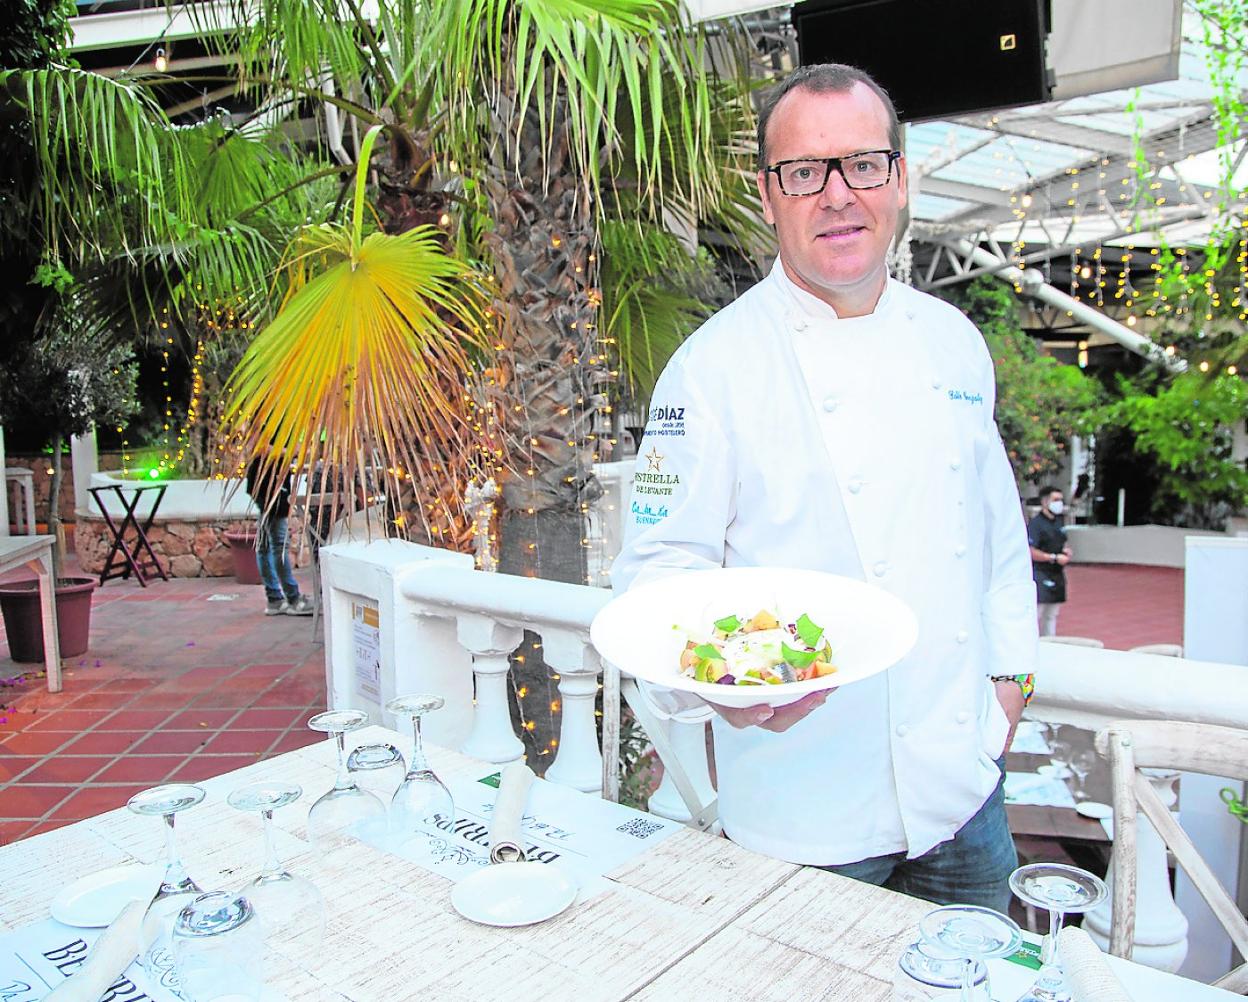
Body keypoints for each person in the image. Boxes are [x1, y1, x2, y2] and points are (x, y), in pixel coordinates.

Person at [610, 63, 1037, 913]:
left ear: (900, 179)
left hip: (964, 793)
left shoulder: (954, 341)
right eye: (805, 173)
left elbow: (998, 539)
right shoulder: (710, 370)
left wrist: (1011, 685)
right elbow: (657, 573)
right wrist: (711, 687)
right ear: (769, 197)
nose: (838, 195)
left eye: (863, 165)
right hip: (805, 822)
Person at [245, 455, 313, 617]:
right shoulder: (273, 439)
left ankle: (275, 597)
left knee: (265, 546)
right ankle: (293, 597)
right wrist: (289, 450)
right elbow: (262, 447)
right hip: (271, 491)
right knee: (279, 545)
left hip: (270, 488)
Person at [1028, 485, 1072, 637]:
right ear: (1045, 502)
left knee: (1052, 615)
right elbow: (1031, 551)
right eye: (1055, 500)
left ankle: (1050, 642)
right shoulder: (1036, 524)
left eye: (1061, 500)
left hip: (1057, 574)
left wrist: (1066, 551)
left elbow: (1063, 541)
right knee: (1037, 614)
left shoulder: (1059, 522)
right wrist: (1052, 558)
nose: (1059, 503)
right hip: (1041, 574)